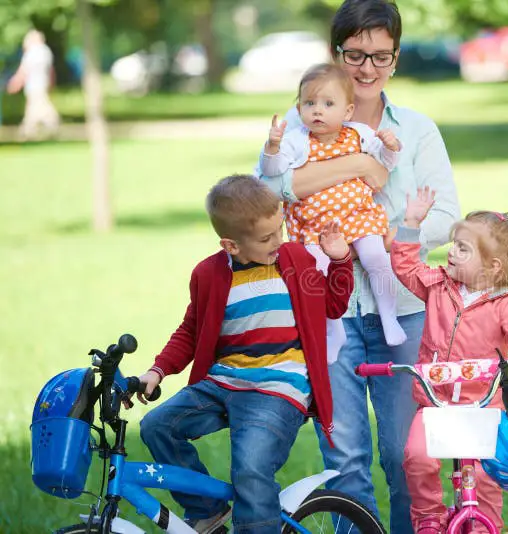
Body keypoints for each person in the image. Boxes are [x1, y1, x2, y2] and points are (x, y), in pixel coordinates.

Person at [255, 1, 460, 532]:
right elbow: (266, 192)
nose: (368, 69)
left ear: (396, 57)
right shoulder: (303, 122)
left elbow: (447, 216)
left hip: (406, 312)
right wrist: (357, 165)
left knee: (405, 459)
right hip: (329, 314)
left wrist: (394, 234)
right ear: (335, 52)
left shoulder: (415, 131)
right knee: (344, 465)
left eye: (381, 56)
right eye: (355, 55)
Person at [134, 174, 354, 533]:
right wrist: (157, 371)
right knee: (157, 426)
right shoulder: (209, 275)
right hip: (224, 381)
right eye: (267, 238)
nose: (278, 242)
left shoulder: (295, 261)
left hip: (279, 386)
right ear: (231, 245)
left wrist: (341, 260)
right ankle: (206, 510)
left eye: (279, 230)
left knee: (251, 467)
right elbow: (191, 330)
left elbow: (333, 304)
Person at [391, 188, 508, 533]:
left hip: (482, 409)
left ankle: (484, 528)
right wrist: (411, 223)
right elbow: (405, 266)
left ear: (492, 266)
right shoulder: (438, 285)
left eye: (463, 248)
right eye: (454, 243)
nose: (451, 252)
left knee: (482, 481)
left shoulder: (506, 301)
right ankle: (429, 519)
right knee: (415, 456)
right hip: (436, 404)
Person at [260, 63, 407, 364]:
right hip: (317, 226)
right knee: (320, 275)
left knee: (376, 257)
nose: (318, 111)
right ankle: (334, 330)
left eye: (328, 104)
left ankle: (389, 317)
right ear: (299, 107)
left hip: (359, 216)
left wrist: (391, 148)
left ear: (348, 110)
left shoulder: (360, 135)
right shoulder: (297, 141)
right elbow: (272, 173)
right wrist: (272, 148)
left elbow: (385, 165)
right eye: (309, 103)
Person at [6, 30, 60, 140]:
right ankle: (29, 130)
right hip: (42, 84)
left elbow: (24, 71)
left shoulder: (31, 52)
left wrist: (14, 83)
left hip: (33, 85)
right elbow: (50, 71)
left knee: (40, 108)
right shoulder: (46, 52)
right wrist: (51, 84)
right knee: (35, 107)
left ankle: (37, 129)